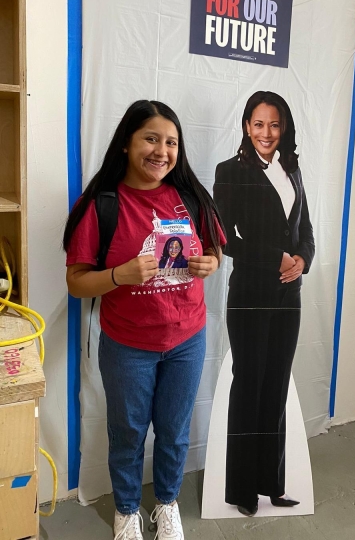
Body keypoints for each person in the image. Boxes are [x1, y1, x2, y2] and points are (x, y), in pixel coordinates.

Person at [63, 100, 225, 540]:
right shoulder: (103, 204)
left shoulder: (190, 196)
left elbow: (214, 248)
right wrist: (119, 275)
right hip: (128, 346)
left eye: (170, 142)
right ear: (126, 144)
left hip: (187, 338)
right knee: (128, 433)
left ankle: (167, 504)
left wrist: (210, 262)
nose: (162, 151)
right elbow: (77, 283)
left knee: (174, 431)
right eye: (151, 138)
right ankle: (127, 510)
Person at [213, 91, 315, 517]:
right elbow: (225, 239)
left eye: (274, 124)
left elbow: (305, 229)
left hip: (288, 296)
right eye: (258, 124)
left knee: (275, 391)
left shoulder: (292, 169)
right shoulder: (229, 171)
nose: (266, 133)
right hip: (251, 295)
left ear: (284, 127)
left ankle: (272, 484)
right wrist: (275, 257)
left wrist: (302, 261)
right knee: (249, 388)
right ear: (246, 126)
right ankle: (241, 490)